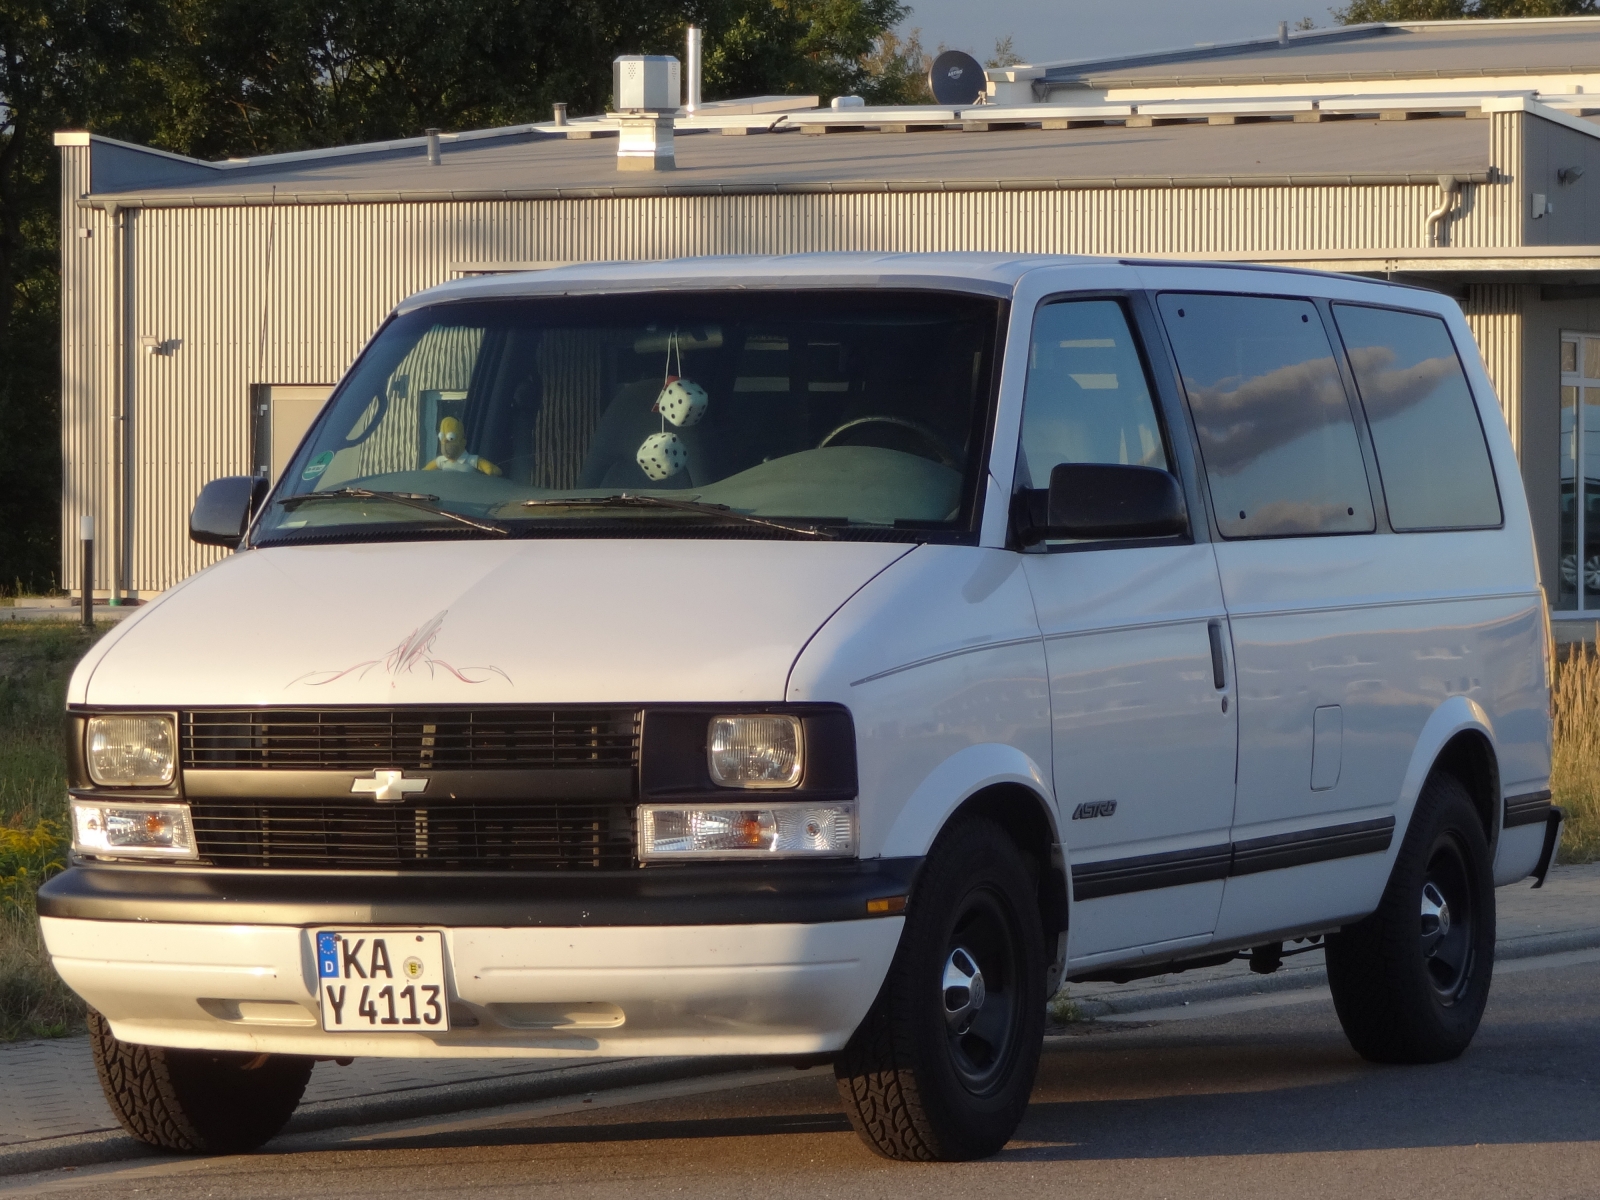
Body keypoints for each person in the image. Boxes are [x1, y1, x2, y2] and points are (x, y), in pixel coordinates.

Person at [423, 416, 500, 475]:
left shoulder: (471, 460)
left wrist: (492, 471)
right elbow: (425, 471)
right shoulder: (441, 461)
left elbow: (490, 469)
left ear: (462, 442)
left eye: (451, 438)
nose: (445, 442)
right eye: (442, 438)